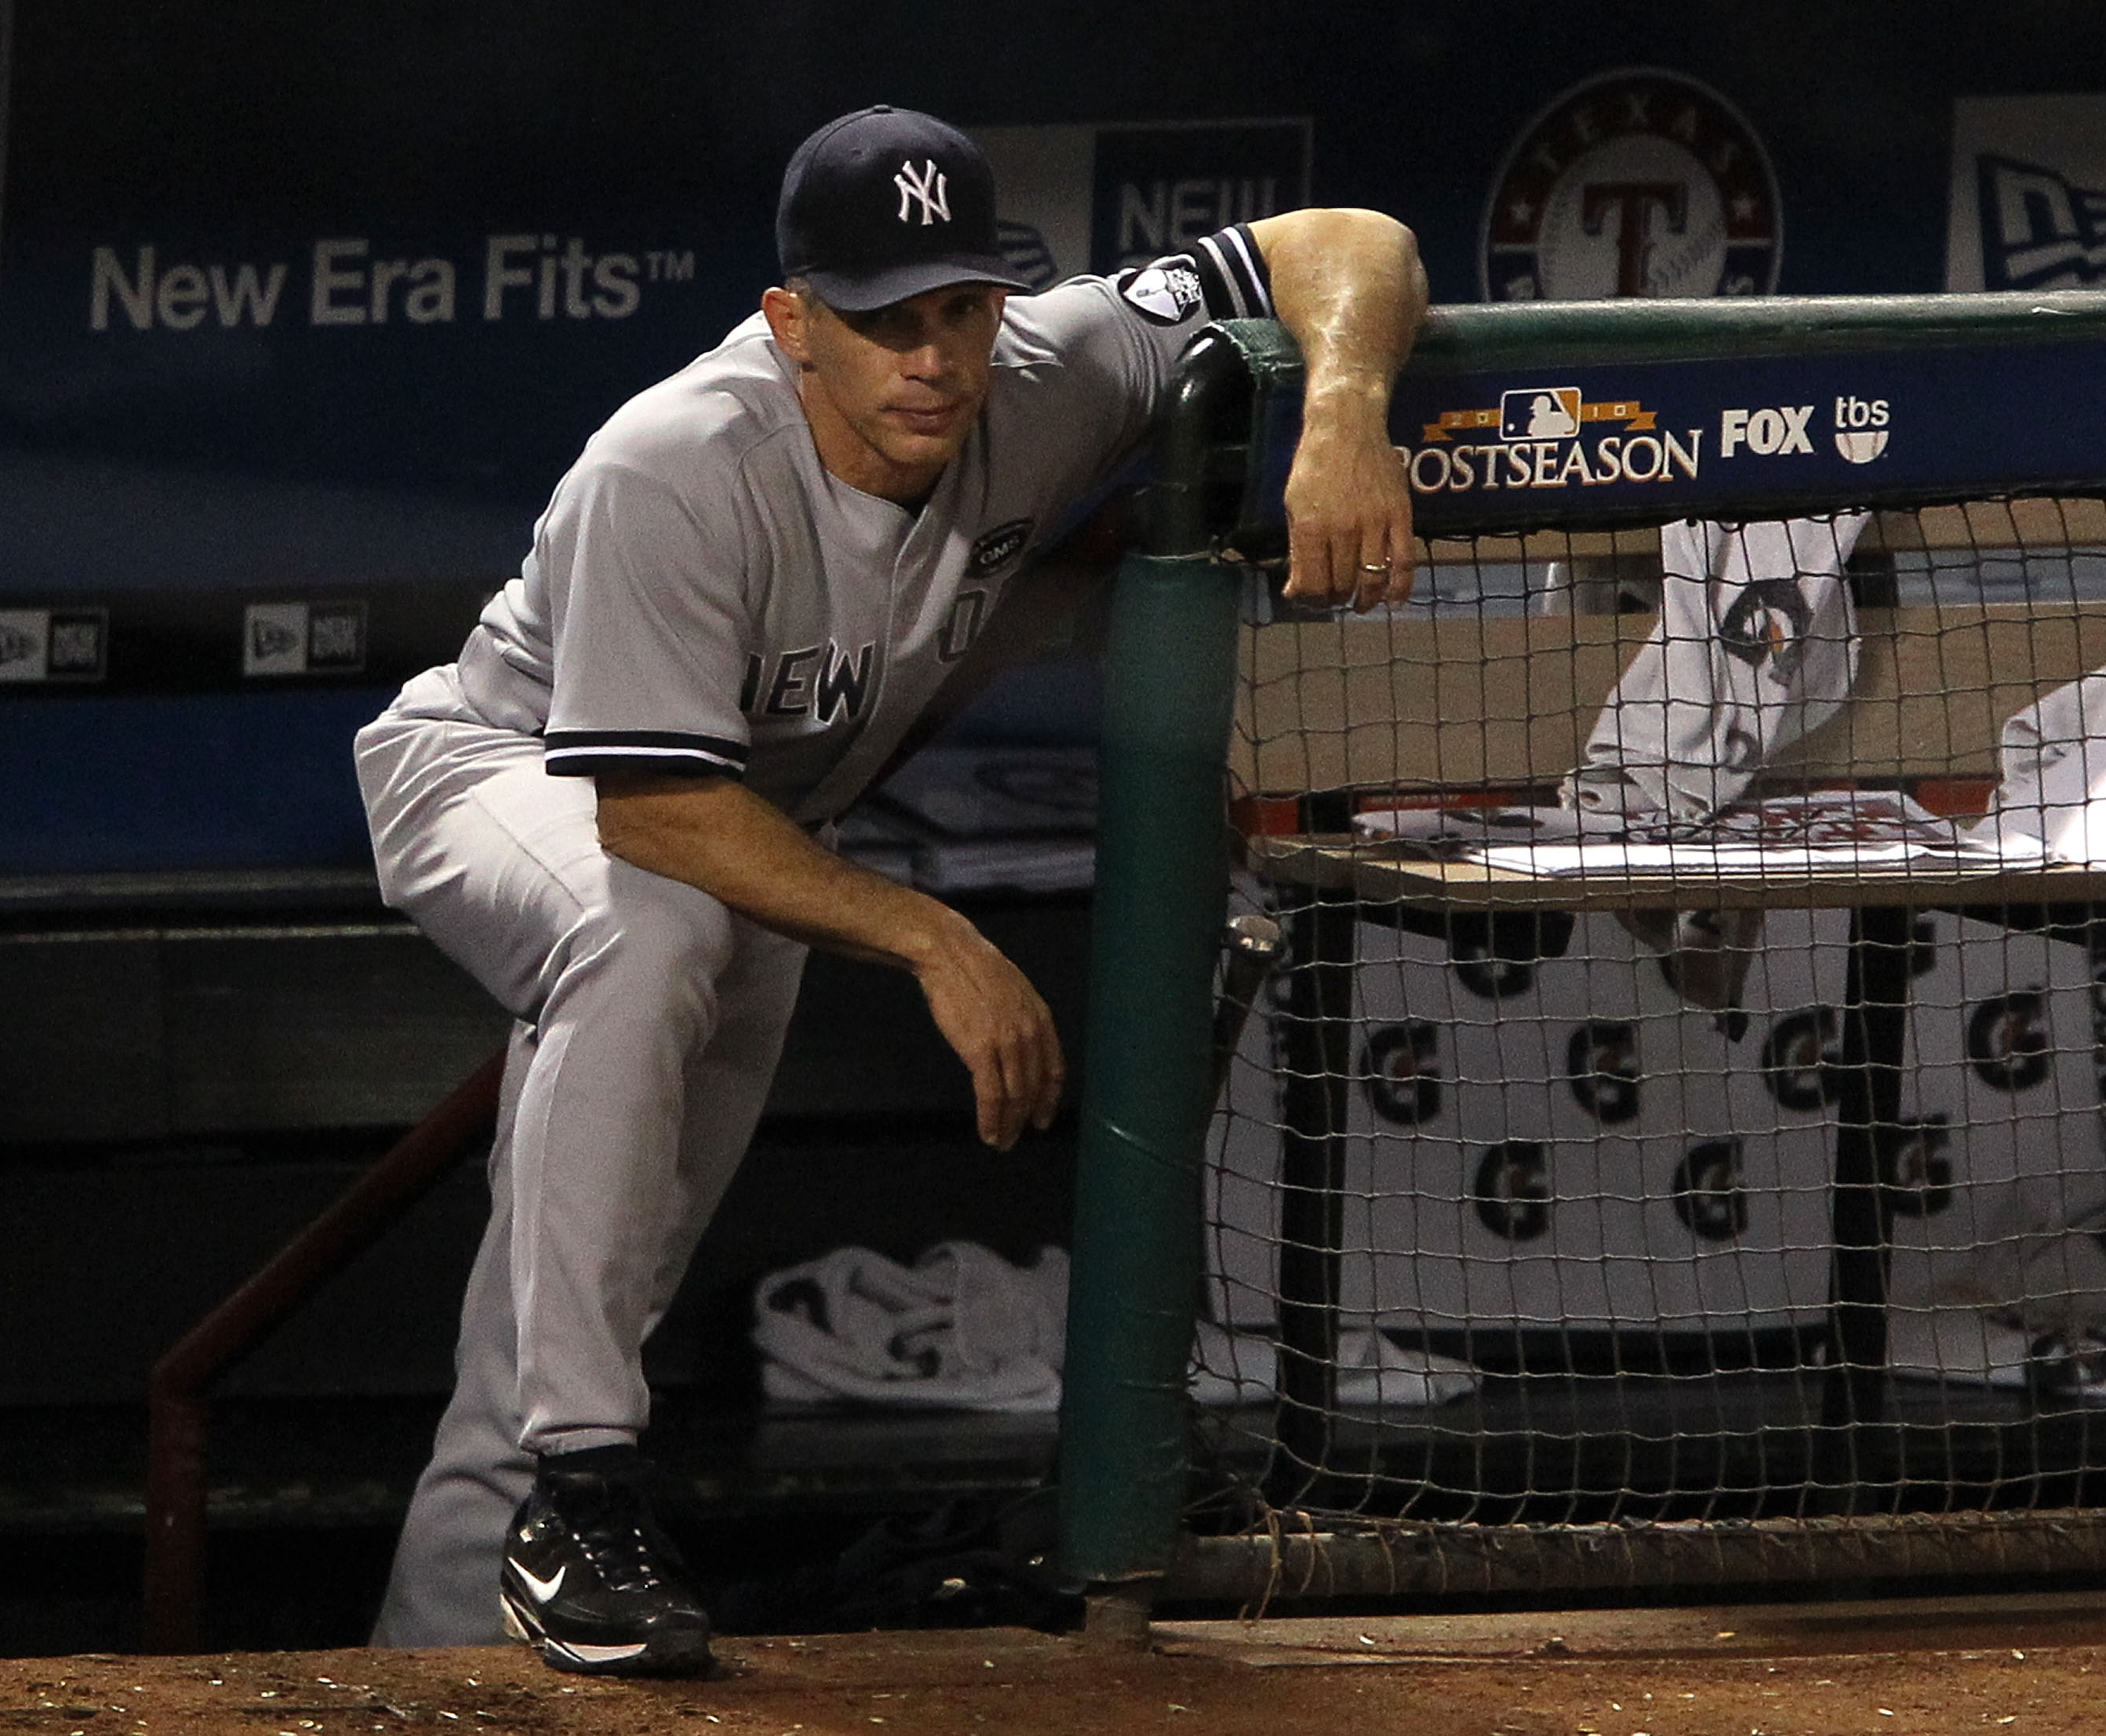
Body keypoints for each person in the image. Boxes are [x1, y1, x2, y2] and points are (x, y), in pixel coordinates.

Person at [355, 103, 1426, 1675]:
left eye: (958, 309)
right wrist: (934, 934)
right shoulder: (671, 461)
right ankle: (588, 1482)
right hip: (514, 772)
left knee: (588, 1289)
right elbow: (649, 813)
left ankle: (430, 1647)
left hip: (752, 839)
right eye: (881, 322)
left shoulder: (1047, 370)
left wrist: (1344, 407)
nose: (931, 358)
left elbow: (1349, 246)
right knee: (642, 925)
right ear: (794, 322)